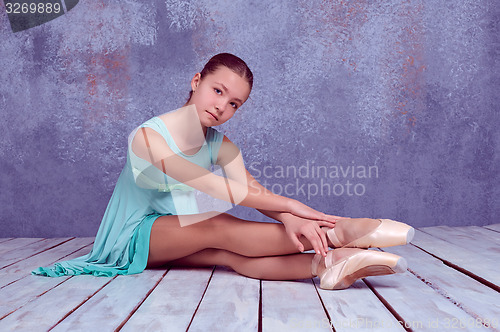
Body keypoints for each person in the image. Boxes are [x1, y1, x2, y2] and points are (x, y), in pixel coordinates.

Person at [32, 53, 414, 290]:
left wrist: (288, 216)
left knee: (231, 256)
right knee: (217, 223)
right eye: (217, 91)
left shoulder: (222, 144)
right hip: (130, 238)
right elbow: (211, 186)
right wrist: (294, 206)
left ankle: (329, 264)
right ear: (196, 82)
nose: (222, 107)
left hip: (172, 237)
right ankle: (342, 233)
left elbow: (251, 189)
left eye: (234, 103)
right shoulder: (148, 136)